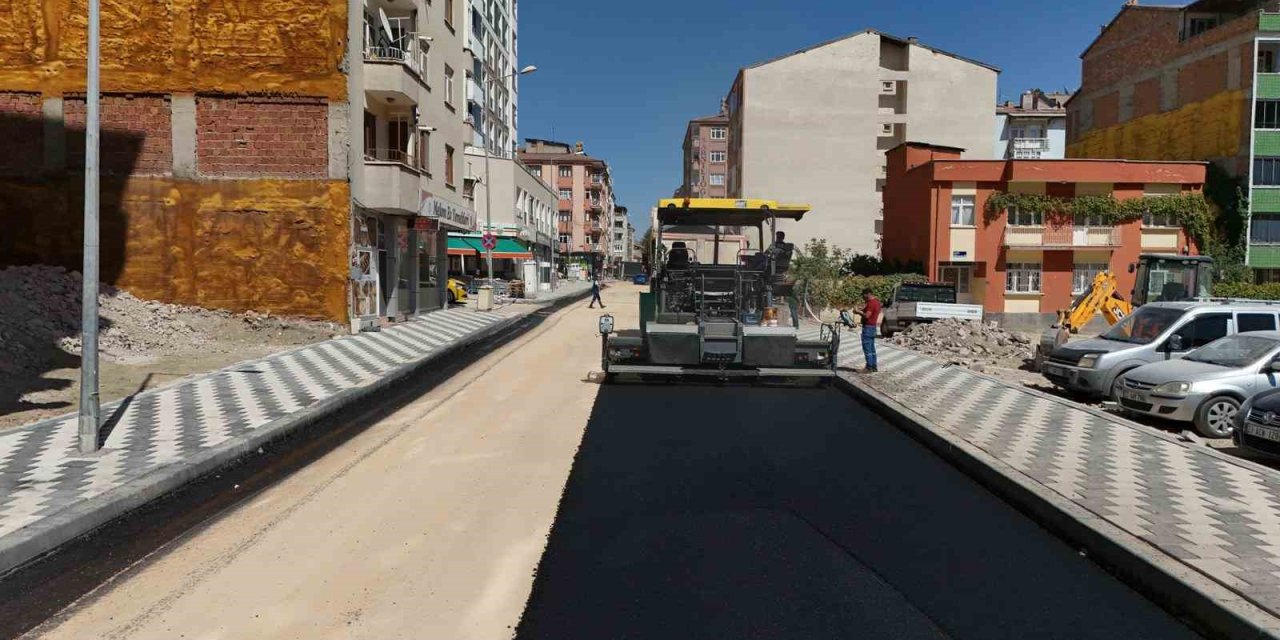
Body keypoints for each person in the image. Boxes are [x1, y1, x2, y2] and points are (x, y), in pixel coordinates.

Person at [854, 288, 882, 373]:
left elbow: (867, 316)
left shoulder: (871, 303)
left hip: (868, 328)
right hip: (873, 328)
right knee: (872, 348)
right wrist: (861, 310)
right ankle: (874, 366)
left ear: (867, 294)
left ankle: (868, 368)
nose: (863, 298)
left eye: (863, 295)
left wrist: (858, 312)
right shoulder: (877, 302)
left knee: (867, 348)